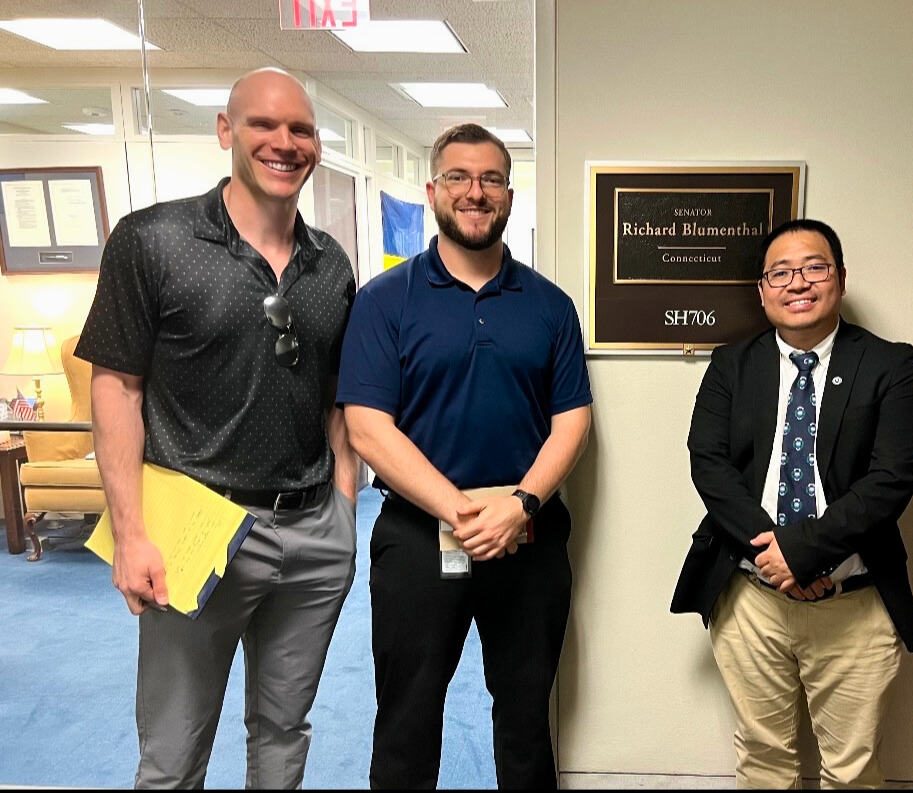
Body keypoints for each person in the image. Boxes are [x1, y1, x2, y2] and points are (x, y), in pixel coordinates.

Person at [75, 68, 358, 789]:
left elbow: (336, 397)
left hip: (311, 533)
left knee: (283, 730)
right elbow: (115, 386)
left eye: (300, 129)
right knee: (173, 753)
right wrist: (131, 530)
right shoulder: (154, 240)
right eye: (264, 124)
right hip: (195, 529)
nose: (284, 142)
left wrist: (345, 508)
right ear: (227, 131)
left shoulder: (331, 266)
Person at [337, 123, 592, 789]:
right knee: (407, 714)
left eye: (490, 179)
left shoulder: (550, 305)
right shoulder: (383, 302)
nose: (474, 192)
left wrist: (518, 505)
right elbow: (367, 428)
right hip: (420, 537)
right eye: (458, 177)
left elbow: (572, 421)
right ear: (432, 191)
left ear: (509, 194)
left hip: (527, 534)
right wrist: (463, 511)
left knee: (526, 713)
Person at [670, 218, 913, 788]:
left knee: (852, 768)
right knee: (763, 759)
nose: (798, 283)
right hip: (751, 599)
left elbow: (891, 479)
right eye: (780, 272)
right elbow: (708, 464)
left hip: (854, 604)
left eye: (814, 267)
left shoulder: (891, 366)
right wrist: (778, 557)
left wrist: (804, 554)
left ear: (839, 278)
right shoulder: (731, 365)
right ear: (762, 291)